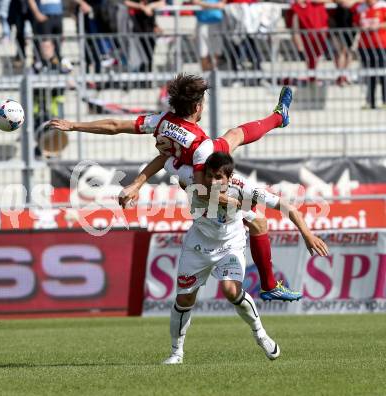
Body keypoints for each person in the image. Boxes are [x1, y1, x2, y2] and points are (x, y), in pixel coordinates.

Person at [48, 73, 300, 301]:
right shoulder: (201, 144)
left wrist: (75, 126)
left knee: (235, 142)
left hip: (182, 171)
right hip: (200, 183)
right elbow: (205, 188)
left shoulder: (160, 122)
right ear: (197, 106)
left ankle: (279, 116)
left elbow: (117, 127)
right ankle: (268, 286)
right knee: (237, 152)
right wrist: (232, 202)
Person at [159, 152, 329, 364]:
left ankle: (260, 334)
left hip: (230, 244)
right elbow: (163, 159)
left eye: (218, 177)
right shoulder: (191, 175)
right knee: (184, 299)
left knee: (231, 290)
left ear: (230, 177)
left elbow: (288, 207)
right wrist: (136, 184)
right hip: (198, 245)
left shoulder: (245, 187)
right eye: (210, 175)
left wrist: (308, 234)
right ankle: (176, 353)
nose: (212, 181)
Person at [352, 0, 386, 109]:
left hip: (381, 45)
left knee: (383, 74)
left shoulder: (383, 6)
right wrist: (362, 27)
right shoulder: (360, 8)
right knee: (369, 75)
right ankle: (370, 102)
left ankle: (385, 100)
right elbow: (355, 23)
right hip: (365, 46)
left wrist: (378, 25)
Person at [192, 0, 226, 71]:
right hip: (203, 22)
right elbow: (195, 1)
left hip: (217, 22)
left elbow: (222, 3)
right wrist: (212, 6)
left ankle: (213, 74)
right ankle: (205, 76)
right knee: (203, 52)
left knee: (217, 51)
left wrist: (207, 6)